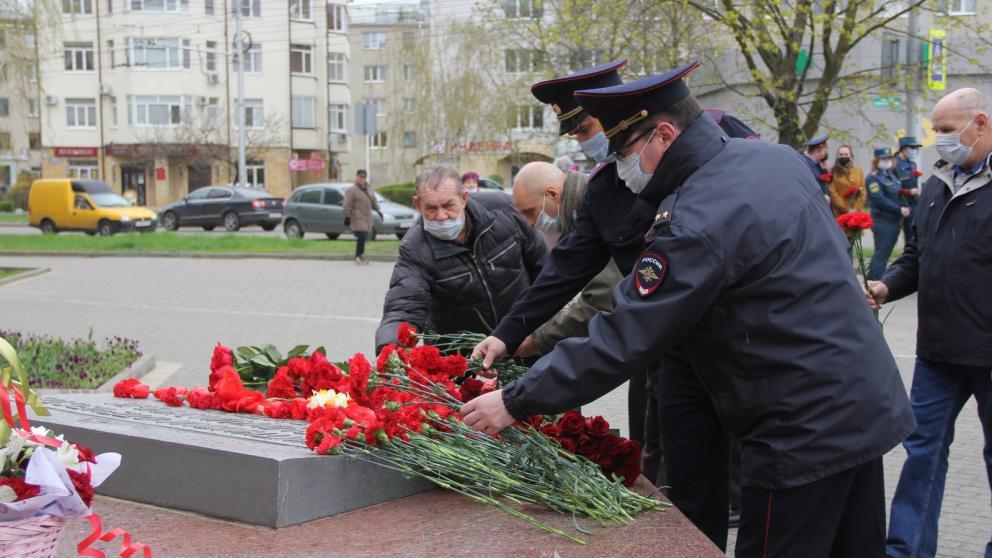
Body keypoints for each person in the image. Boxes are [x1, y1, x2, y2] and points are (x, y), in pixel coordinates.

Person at [464, 61, 915, 557]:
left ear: (663, 133)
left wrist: (515, 400)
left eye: (626, 150)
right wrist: (511, 333)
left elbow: (625, 335)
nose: (621, 166)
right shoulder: (773, 159)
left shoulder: (694, 218)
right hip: (861, 402)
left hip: (797, 430)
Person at [472, 60, 761, 549]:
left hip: (734, 342)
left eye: (591, 126)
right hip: (670, 350)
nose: (592, 140)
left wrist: (519, 398)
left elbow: (616, 306)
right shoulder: (609, 187)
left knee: (747, 474)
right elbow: (567, 269)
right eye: (582, 130)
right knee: (682, 472)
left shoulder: (715, 150)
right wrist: (504, 333)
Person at [866, 87, 992, 558]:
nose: (939, 141)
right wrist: (885, 286)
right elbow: (917, 258)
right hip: (937, 351)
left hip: (987, 349)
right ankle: (907, 550)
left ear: (979, 123)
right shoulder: (936, 183)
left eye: (945, 130)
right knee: (922, 452)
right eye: (935, 131)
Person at [373, 167, 545, 351]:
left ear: (463, 198)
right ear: (417, 204)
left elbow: (543, 267)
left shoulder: (503, 210)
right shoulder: (414, 248)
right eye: (431, 208)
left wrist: (543, 326)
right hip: (459, 355)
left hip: (520, 337)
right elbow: (405, 306)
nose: (441, 216)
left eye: (448, 206)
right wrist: (391, 347)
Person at [509, 161, 624, 358]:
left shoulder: (599, 208)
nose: (528, 223)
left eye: (530, 212)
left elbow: (600, 301)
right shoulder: (582, 213)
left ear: (552, 194)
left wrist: (537, 339)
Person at [865, 148, 908, 280]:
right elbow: (879, 200)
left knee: (884, 254)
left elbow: (898, 193)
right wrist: (898, 209)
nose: (887, 161)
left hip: (894, 221)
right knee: (881, 255)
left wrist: (904, 205)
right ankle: (874, 282)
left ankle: (871, 282)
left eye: (889, 158)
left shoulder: (890, 175)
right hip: (883, 221)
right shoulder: (873, 178)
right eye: (884, 159)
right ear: (876, 160)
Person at [343, 169, 380, 265]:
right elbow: (347, 204)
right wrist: (347, 216)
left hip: (367, 217)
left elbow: (373, 201)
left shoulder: (368, 188)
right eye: (360, 177)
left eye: (364, 177)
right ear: (357, 177)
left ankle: (361, 254)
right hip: (357, 217)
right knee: (362, 236)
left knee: (364, 237)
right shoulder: (352, 190)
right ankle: (358, 256)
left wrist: (377, 208)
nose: (362, 179)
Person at [893, 136, 923, 242]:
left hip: (914, 202)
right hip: (902, 203)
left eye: (916, 148)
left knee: (915, 234)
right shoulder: (894, 164)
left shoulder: (912, 164)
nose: (915, 151)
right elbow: (893, 187)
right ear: (903, 148)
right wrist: (909, 193)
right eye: (912, 148)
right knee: (909, 236)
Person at [828, 145, 866, 217]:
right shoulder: (833, 172)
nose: (843, 156)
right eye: (841, 154)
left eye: (846, 154)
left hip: (857, 212)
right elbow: (833, 193)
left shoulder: (858, 170)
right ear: (837, 156)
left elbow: (863, 191)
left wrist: (856, 208)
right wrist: (846, 209)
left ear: (851, 156)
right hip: (840, 212)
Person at [803, 134, 832, 203]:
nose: (824, 155)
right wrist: (822, 197)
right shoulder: (807, 165)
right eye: (823, 152)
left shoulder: (816, 164)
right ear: (817, 152)